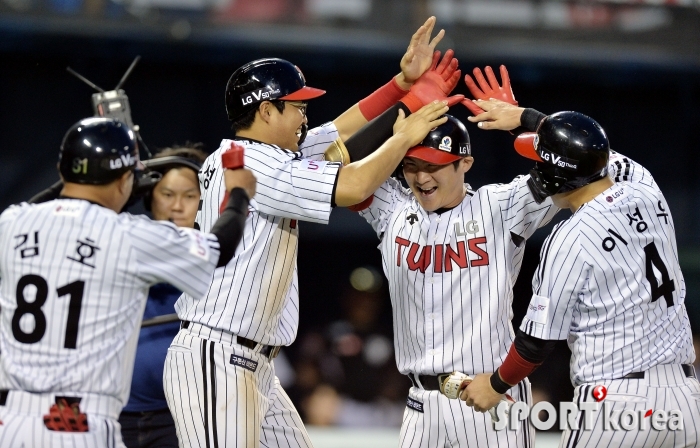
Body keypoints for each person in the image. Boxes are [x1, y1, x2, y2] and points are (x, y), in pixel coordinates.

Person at [162, 16, 461, 448]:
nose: (305, 114)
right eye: (297, 105)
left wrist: (402, 86)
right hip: (217, 356)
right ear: (267, 110)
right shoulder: (254, 162)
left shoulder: (268, 153)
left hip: (252, 363)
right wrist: (404, 134)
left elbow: (340, 132)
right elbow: (355, 183)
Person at [0, 117, 255, 448]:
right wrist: (238, 194)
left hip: (9, 421)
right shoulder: (129, 235)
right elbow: (218, 248)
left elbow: (44, 205)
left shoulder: (12, 222)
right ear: (125, 180)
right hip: (78, 423)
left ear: (63, 171)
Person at [460, 104, 700, 447]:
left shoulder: (570, 238)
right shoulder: (646, 189)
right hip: (685, 400)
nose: (536, 168)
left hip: (616, 405)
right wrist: (529, 118)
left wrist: (495, 384)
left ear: (554, 177)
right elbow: (595, 153)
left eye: (541, 162)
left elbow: (534, 344)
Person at [354, 107, 558, 447]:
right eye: (411, 165)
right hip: (420, 401)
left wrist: (529, 121)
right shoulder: (392, 208)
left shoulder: (500, 207)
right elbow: (340, 159)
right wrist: (400, 109)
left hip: (487, 395)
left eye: (433, 165)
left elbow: (580, 160)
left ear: (465, 163)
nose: (421, 178)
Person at [118, 146, 208, 448]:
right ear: (148, 197)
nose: (177, 207)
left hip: (187, 418)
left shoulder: (222, 258)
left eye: (189, 196)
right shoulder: (120, 242)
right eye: (167, 194)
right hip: (115, 414)